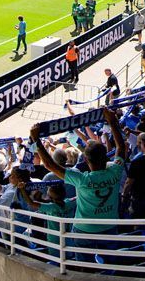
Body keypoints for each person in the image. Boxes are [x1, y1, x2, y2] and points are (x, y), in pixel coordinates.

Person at [31, 108, 127, 262]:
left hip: (84, 231)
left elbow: (49, 165)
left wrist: (36, 140)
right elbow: (121, 148)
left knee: (84, 267)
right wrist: (112, 121)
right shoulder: (115, 171)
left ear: (87, 161)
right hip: (110, 227)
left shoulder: (81, 179)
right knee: (110, 265)